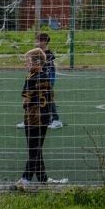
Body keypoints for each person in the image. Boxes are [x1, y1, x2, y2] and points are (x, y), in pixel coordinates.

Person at [18, 48, 63, 187]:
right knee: (37, 149)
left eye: (28, 61)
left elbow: (25, 101)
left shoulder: (31, 78)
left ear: (37, 63)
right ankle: (43, 179)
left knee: (33, 150)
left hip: (32, 117)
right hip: (45, 117)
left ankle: (25, 179)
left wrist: (25, 104)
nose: (26, 64)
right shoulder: (46, 77)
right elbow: (50, 97)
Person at [19, 32, 63, 130]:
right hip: (36, 79)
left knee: (48, 99)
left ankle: (56, 120)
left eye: (38, 41)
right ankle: (30, 120)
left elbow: (48, 71)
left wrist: (48, 82)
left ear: (44, 42)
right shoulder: (37, 53)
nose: (36, 43)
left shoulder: (48, 55)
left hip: (45, 81)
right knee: (32, 99)